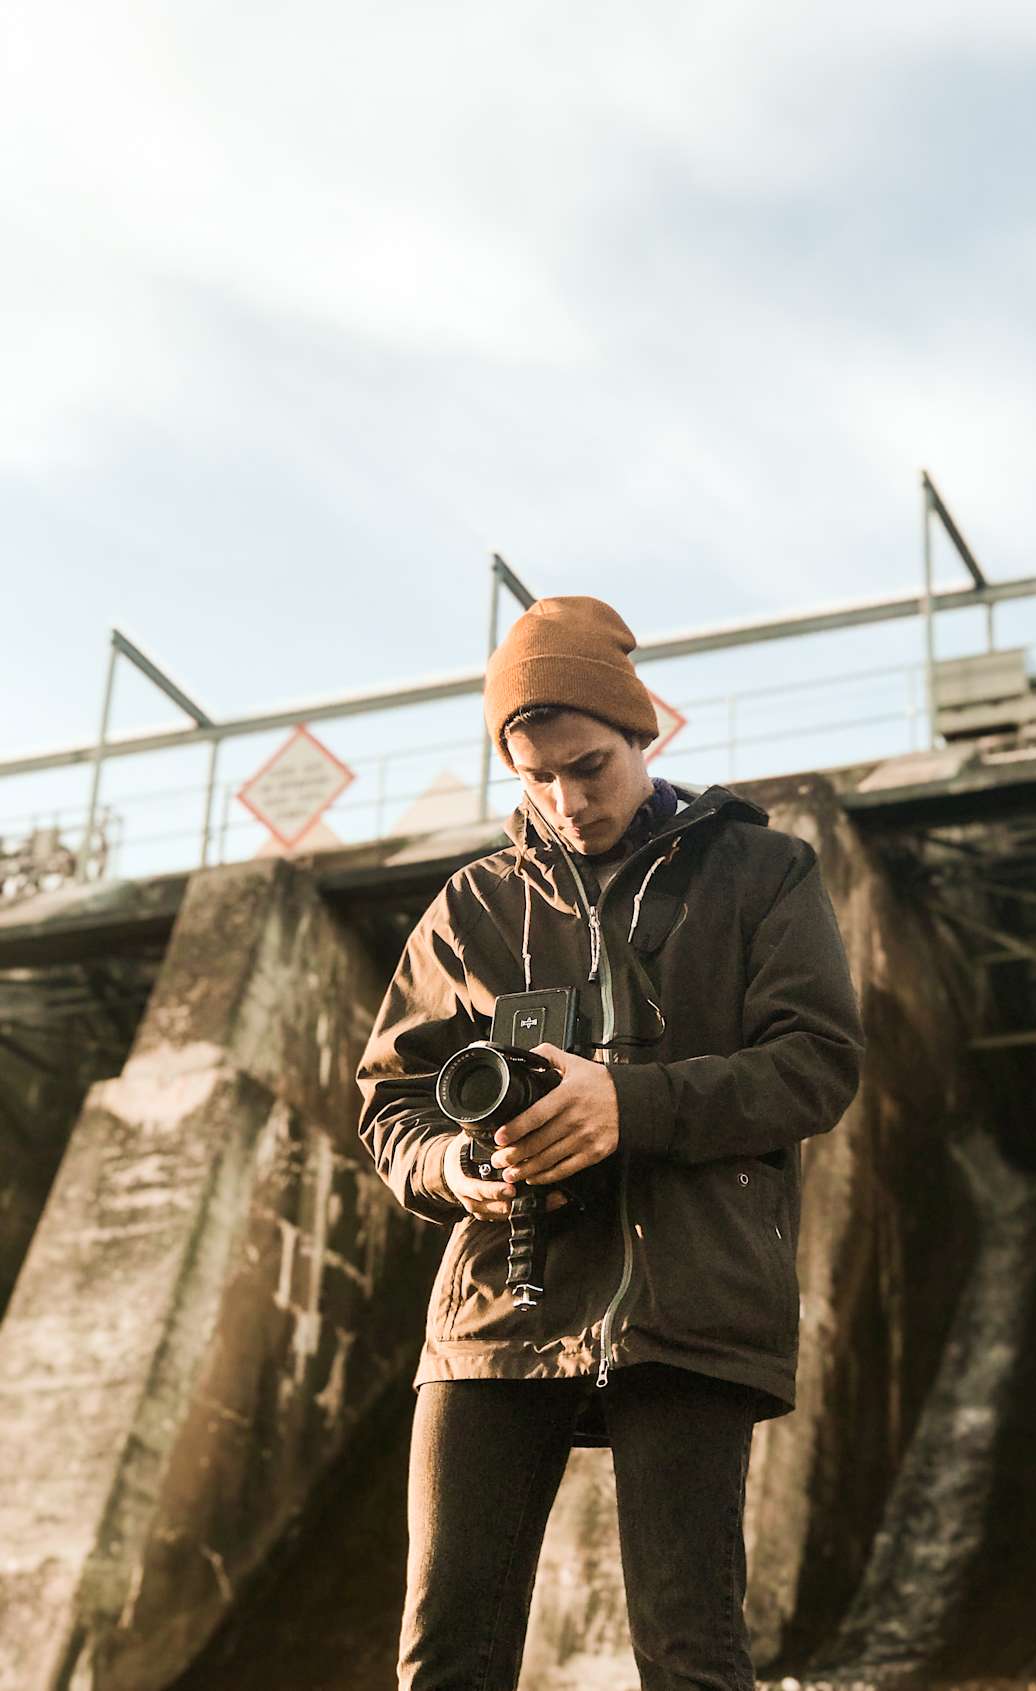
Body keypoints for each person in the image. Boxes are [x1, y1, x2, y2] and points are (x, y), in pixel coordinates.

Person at [356, 595, 864, 1691]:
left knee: (688, 1653)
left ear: (647, 733)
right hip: (497, 1301)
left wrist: (627, 1106)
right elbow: (388, 1102)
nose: (564, 799)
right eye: (534, 775)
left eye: (588, 765)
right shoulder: (469, 905)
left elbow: (816, 1063)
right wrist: (451, 1168)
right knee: (443, 1654)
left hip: (693, 1297)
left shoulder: (762, 874)